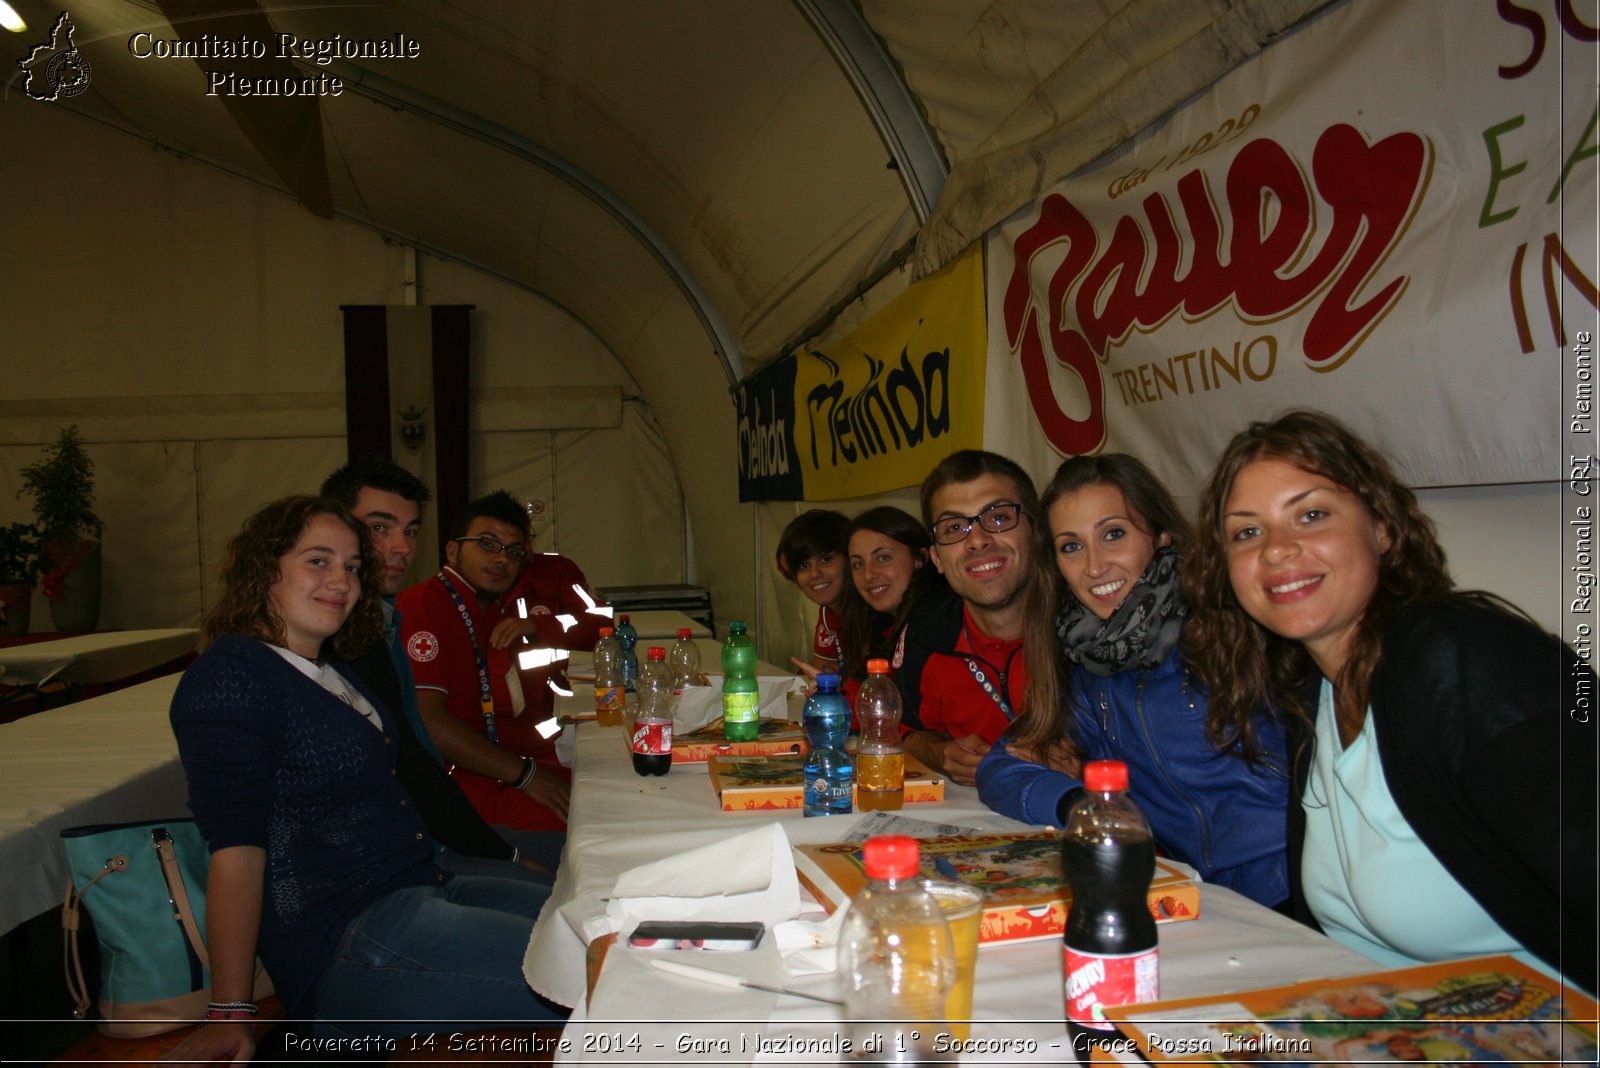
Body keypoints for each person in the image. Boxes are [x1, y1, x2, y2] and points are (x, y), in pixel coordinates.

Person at [1185, 409, 1596, 990]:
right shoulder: (1315, 694)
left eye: (1311, 514)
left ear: (1381, 527)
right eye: (1247, 532)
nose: (1276, 550)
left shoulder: (1459, 659)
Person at [167, 496, 561, 1061]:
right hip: (348, 937)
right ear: (265, 567)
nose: (342, 582)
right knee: (598, 972)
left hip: (423, 882)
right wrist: (231, 1011)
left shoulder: (334, 669)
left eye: (352, 567)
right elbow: (236, 848)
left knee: (593, 919)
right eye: (318, 561)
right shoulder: (231, 678)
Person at [976, 454, 1290, 907]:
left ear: (1162, 536)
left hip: (1297, 893)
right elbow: (1000, 767)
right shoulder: (1086, 662)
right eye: (1071, 546)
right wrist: (1081, 805)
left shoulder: (1237, 623)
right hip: (1202, 899)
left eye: (1114, 534)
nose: (1095, 566)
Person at [320, 458, 557, 882]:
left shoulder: (383, 622)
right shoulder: (409, 613)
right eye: (380, 527)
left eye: (410, 532)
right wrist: (505, 847)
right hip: (418, 837)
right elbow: (423, 740)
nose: (402, 547)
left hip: (426, 829)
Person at [398, 490, 572, 834]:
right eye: (488, 544)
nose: (501, 559)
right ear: (452, 550)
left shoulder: (491, 614)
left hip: (490, 767)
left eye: (514, 551)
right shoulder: (424, 607)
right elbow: (428, 723)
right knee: (583, 818)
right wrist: (526, 774)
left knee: (601, 789)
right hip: (449, 783)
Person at [899, 450, 1051, 786]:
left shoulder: (1085, 634)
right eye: (955, 527)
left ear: (1037, 533)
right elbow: (906, 731)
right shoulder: (925, 635)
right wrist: (940, 753)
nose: (978, 541)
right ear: (938, 558)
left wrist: (1082, 765)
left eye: (998, 518)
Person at [775, 509, 850, 670]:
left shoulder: (876, 613)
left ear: (850, 558)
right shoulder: (828, 613)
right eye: (804, 565)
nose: (814, 574)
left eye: (826, 559)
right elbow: (824, 673)